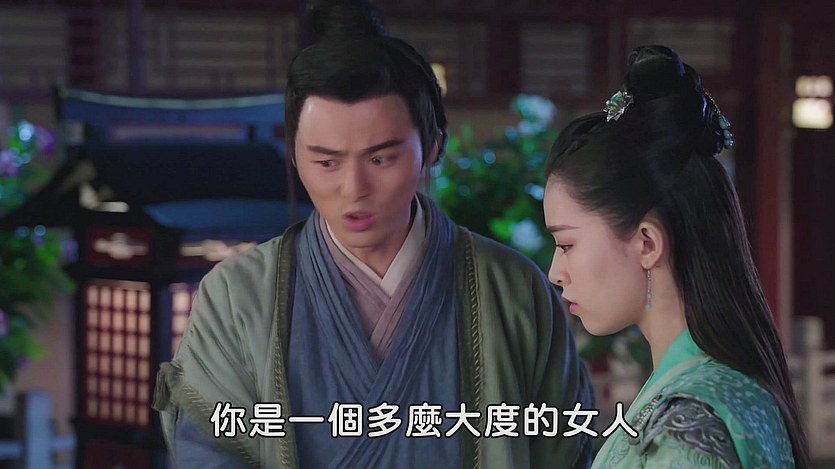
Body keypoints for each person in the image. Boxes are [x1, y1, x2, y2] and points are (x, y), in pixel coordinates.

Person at [153, 1, 594, 467]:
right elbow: (209, 452)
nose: (354, 189)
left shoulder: (511, 289)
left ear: (432, 146)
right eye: (326, 162)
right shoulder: (237, 295)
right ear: (294, 156)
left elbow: (563, 450)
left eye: (381, 158)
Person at [542, 44, 809, 468]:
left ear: (648, 243)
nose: (556, 272)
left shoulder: (685, 425)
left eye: (567, 245)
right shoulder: (726, 386)